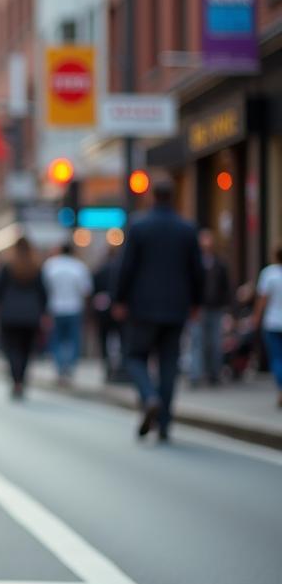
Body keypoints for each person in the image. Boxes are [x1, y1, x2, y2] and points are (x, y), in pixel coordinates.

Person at [112, 177, 202, 442]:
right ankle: (164, 425)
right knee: (169, 365)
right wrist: (197, 303)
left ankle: (149, 396)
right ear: (172, 197)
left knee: (135, 357)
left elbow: (125, 266)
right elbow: (197, 270)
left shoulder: (140, 226)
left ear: (153, 196)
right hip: (176, 307)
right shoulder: (187, 229)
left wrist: (119, 299)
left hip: (143, 308)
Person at [0, 237, 47, 399]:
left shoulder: (8, 266)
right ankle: (21, 379)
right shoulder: (36, 267)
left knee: (12, 349)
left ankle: (15, 380)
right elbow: (43, 292)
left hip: (10, 314)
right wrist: (43, 311)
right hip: (31, 314)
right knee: (26, 350)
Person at [42, 241, 93, 384]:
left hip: (55, 308)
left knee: (56, 339)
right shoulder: (78, 267)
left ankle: (59, 367)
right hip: (74, 308)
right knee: (73, 339)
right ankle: (69, 367)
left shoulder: (50, 265)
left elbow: (44, 289)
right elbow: (86, 290)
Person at [188, 229, 231, 386]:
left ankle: (214, 373)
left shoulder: (219, 263)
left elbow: (226, 287)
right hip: (198, 308)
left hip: (215, 307)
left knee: (215, 341)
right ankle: (196, 375)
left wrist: (228, 308)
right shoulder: (194, 262)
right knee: (197, 341)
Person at [253, 246, 282, 409]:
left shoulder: (269, 274)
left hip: (273, 322)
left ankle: (281, 389)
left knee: (277, 358)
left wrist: (256, 317)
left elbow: (262, 299)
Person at [92, 251, 123, 381]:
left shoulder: (101, 270)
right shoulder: (121, 269)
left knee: (104, 338)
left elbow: (93, 289)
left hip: (103, 310)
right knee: (121, 338)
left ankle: (108, 365)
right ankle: (120, 368)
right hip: (120, 309)